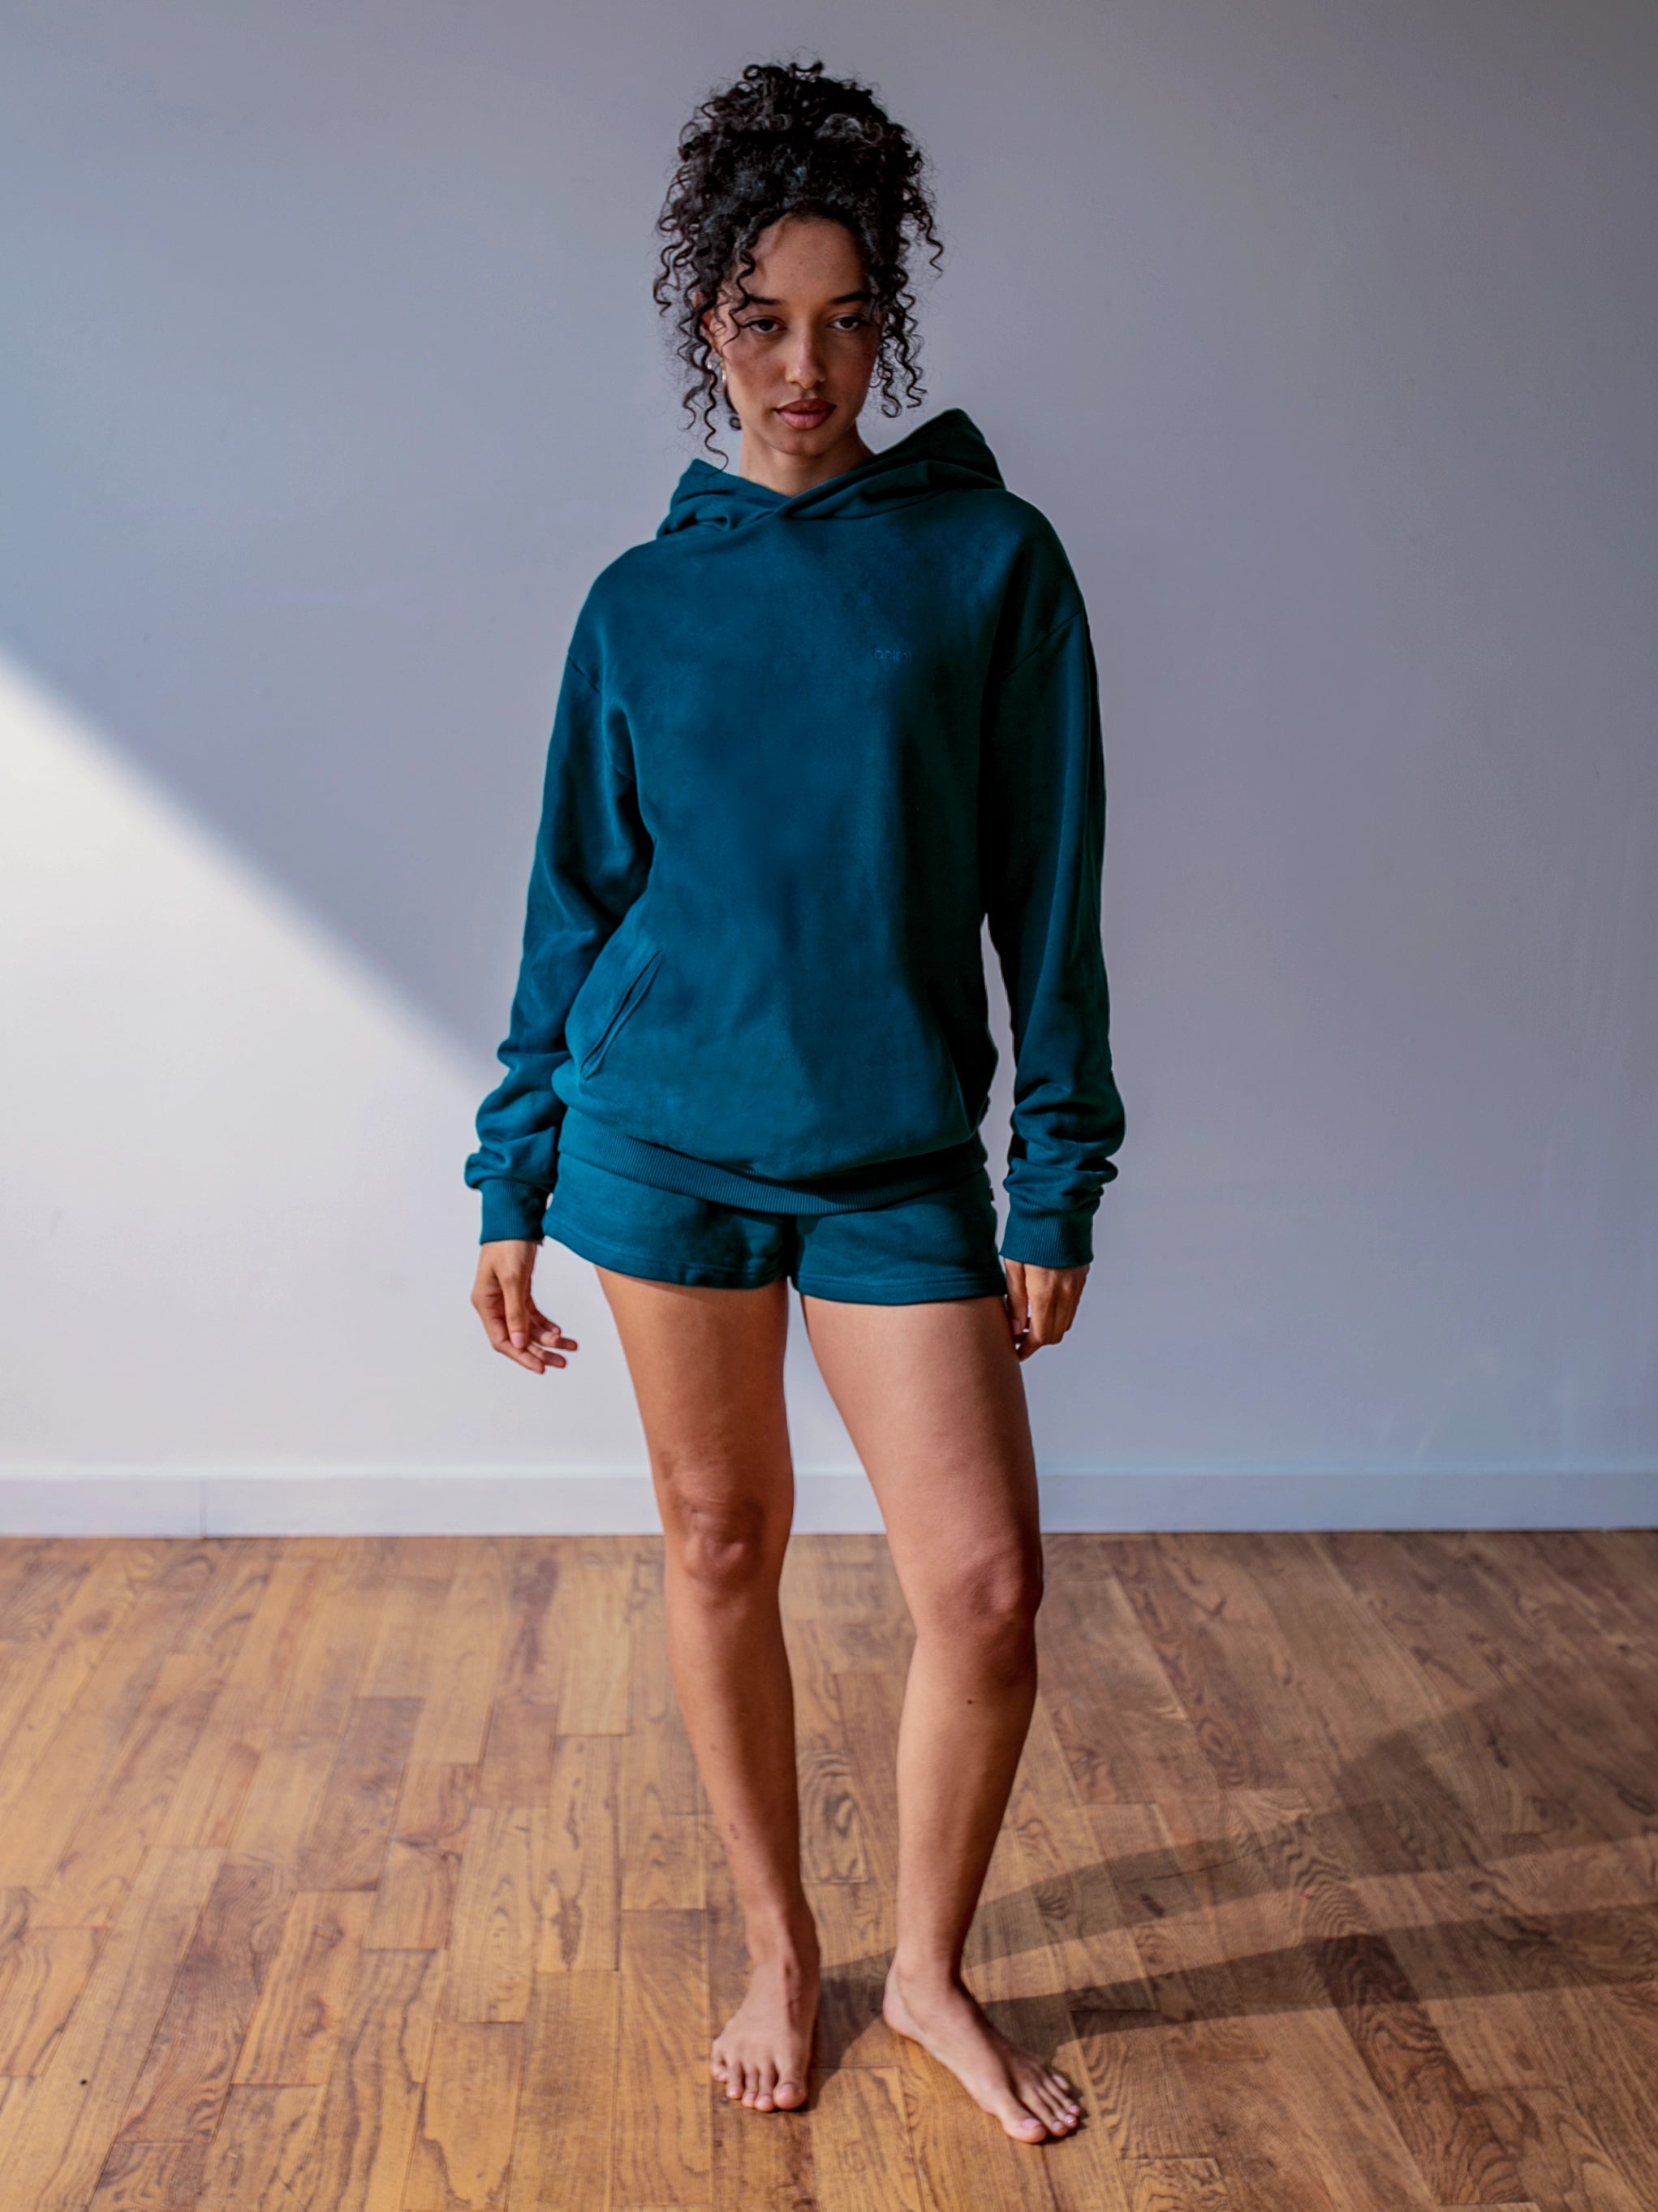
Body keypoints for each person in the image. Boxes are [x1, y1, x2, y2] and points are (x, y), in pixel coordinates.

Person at [466, 57, 1123, 2146]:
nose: (805, 365)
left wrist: (1057, 1171)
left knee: (986, 1591)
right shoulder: (637, 602)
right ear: (706, 330)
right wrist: (512, 1166)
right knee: (717, 1535)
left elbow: (1052, 885)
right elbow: (573, 903)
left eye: (845, 320)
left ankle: (925, 1964)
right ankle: (780, 1942)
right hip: (656, 1138)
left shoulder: (990, 567)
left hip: (897, 1160)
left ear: (889, 324)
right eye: (762, 322)